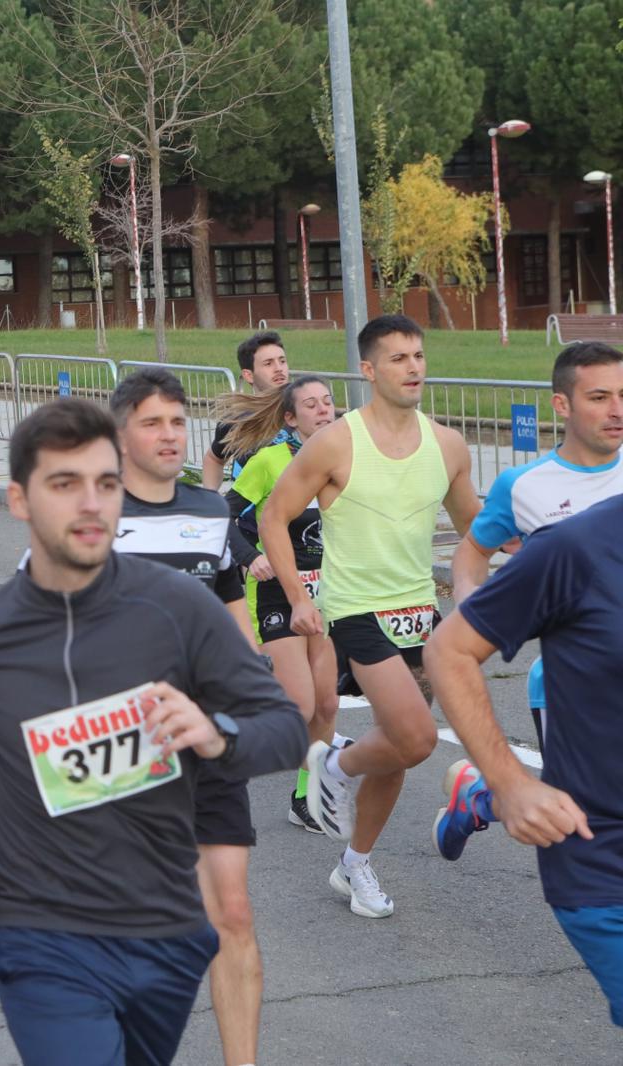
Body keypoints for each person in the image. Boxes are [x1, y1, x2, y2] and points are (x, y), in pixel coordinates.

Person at [0, 397, 305, 1066]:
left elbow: (286, 726)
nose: (91, 504)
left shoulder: (178, 608)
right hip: (38, 931)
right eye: (65, 485)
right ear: (18, 499)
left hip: (165, 934)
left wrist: (216, 735)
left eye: (105, 484)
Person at [259, 314, 480, 918]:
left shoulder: (448, 445)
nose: (413, 368)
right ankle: (332, 761)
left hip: (420, 612)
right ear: (368, 369)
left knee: (401, 749)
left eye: (418, 355)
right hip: (357, 609)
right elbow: (272, 517)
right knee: (416, 737)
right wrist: (300, 599)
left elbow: (475, 534)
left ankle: (353, 865)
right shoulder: (337, 441)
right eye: (398, 358)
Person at [105, 369, 267, 1066]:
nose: (169, 434)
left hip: (206, 738)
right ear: (119, 435)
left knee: (230, 915)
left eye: (177, 421)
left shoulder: (211, 510)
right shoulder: (91, 514)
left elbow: (235, 616)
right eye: (151, 422)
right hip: (121, 750)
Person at [424, 488, 623, 1026]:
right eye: (600, 395)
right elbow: (450, 648)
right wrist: (510, 782)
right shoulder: (576, 545)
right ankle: (487, 795)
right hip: (601, 853)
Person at [433, 340, 623, 861]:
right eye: (601, 397)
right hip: (569, 683)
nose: (618, 411)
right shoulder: (524, 486)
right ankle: (479, 798)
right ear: (562, 404)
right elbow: (472, 554)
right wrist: (475, 623)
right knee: (573, 816)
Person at [219, 376, 343, 834]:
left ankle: (306, 798)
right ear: (290, 418)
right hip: (279, 593)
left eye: (328, 401)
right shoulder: (270, 460)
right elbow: (224, 514)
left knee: (327, 705)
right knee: (301, 705)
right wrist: (250, 559)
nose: (323, 410)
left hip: (329, 594)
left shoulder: (345, 458)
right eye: (310, 404)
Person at [202, 332, 293, 491]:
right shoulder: (237, 420)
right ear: (248, 375)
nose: (279, 369)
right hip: (249, 514)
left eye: (282, 361)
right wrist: (211, 498)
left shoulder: (305, 411)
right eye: (268, 363)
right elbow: (214, 459)